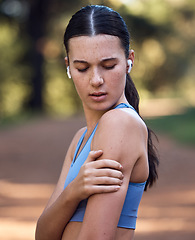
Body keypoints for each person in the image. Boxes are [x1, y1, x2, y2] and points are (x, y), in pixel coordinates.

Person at [35, 5, 159, 240]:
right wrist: (74, 191)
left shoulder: (120, 123)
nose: (96, 80)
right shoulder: (80, 138)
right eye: (82, 68)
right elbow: (42, 234)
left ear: (129, 61)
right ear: (68, 67)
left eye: (109, 66)